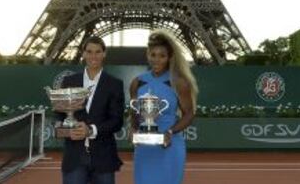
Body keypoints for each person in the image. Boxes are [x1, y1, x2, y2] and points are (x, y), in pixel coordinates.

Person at [52, 36, 125, 184]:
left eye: (98, 52)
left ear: (104, 54)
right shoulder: (69, 81)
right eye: (89, 51)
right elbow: (59, 113)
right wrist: (64, 127)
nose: (93, 56)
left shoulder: (115, 84)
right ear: (83, 53)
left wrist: (90, 130)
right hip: (74, 157)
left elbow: (117, 121)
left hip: (103, 157)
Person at [129, 30, 198, 184]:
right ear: (147, 55)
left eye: (162, 56)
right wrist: (133, 128)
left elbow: (189, 114)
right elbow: (134, 111)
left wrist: (169, 132)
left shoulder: (178, 82)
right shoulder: (137, 82)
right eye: (153, 55)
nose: (157, 60)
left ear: (169, 57)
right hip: (144, 146)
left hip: (170, 145)